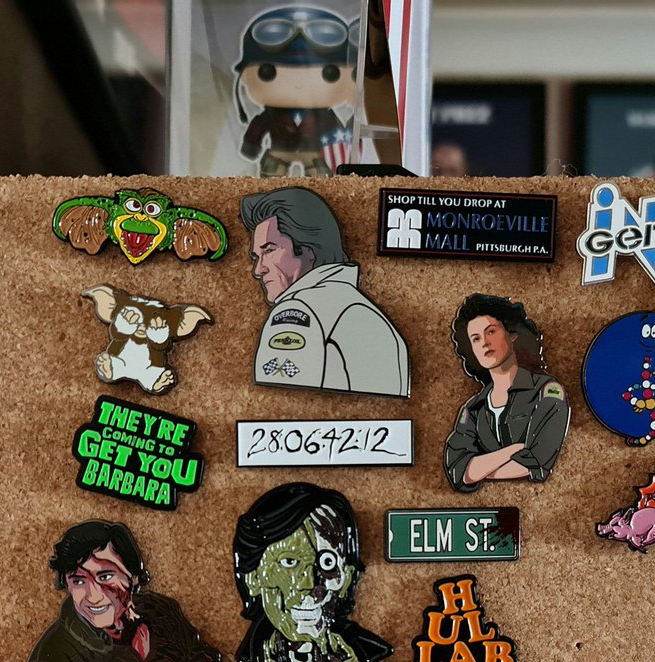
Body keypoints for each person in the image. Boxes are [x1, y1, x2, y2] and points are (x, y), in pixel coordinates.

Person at [241, 186, 409, 397]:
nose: (258, 270)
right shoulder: (364, 309)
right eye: (256, 257)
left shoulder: (297, 311)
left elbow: (280, 404)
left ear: (308, 249)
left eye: (269, 250)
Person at [233, 482, 391, 662]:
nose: (308, 583)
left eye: (327, 563)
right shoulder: (253, 660)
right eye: (289, 562)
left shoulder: (363, 655)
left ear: (347, 577)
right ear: (253, 578)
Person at [27, 520, 222, 662]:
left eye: (105, 576)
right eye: (78, 581)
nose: (93, 596)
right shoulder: (53, 658)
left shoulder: (162, 612)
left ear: (133, 577)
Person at [443, 293, 570, 492]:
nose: (484, 342)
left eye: (491, 332)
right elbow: (458, 469)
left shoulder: (547, 391)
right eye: (475, 339)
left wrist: (480, 469)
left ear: (512, 334)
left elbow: (538, 461)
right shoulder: (474, 408)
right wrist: (511, 451)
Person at [234, 7, 355, 177]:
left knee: (321, 177)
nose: (299, 84)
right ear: (245, 76)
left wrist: (342, 151)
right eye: (268, 72)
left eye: (329, 73)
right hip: (280, 151)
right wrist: (250, 148)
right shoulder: (270, 115)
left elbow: (336, 136)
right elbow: (256, 129)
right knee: (272, 173)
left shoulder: (325, 116)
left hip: (313, 153)